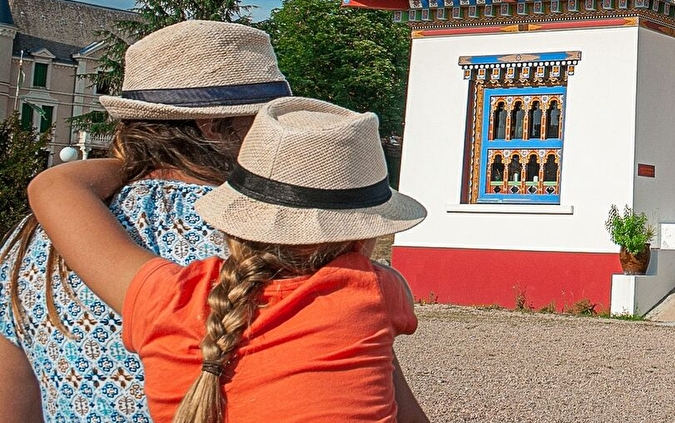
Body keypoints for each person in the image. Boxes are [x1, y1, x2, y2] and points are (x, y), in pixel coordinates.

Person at [28, 96, 427, 423]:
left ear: (234, 215)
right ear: (363, 236)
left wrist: (144, 159)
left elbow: (55, 185)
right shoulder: (371, 290)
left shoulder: (165, 299)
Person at [1, 22, 289, 423]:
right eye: (262, 123)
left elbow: (12, 402)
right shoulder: (276, 233)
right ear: (212, 125)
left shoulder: (35, 233)